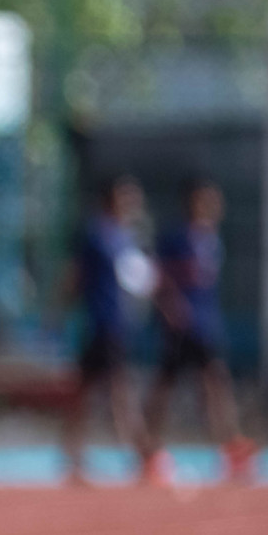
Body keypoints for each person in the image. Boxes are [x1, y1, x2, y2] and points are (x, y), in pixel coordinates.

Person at [143, 179, 257, 484]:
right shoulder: (176, 237)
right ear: (191, 202)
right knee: (166, 386)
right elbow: (157, 277)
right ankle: (149, 449)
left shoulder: (210, 239)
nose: (213, 206)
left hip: (206, 326)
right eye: (206, 199)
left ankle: (232, 446)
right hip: (182, 326)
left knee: (215, 382)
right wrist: (169, 308)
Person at [62, 175, 165, 487]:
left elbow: (137, 280)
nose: (133, 204)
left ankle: (76, 457)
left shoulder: (126, 238)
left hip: (118, 325)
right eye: (126, 197)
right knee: (118, 392)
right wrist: (58, 311)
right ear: (111, 200)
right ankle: (143, 456)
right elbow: (75, 276)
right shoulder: (97, 235)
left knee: (88, 393)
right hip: (101, 325)